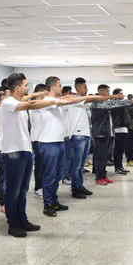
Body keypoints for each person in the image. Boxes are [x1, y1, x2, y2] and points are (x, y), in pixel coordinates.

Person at [0, 73, 68, 237]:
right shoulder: (8, 103)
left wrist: (38, 94)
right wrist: (53, 100)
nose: (27, 87)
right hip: (12, 152)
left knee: (23, 190)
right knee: (13, 190)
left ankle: (22, 219)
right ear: (17, 87)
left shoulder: (17, 101)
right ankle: (13, 224)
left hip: (25, 149)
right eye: (25, 85)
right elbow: (31, 104)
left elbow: (28, 99)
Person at [36, 77, 82, 216]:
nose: (61, 88)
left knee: (58, 174)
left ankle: (54, 201)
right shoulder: (46, 101)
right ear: (52, 87)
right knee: (50, 175)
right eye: (59, 85)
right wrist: (83, 97)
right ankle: (48, 204)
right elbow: (68, 100)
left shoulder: (56, 102)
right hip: (48, 143)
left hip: (59, 141)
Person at [66, 77, 113, 198]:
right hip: (77, 135)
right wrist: (112, 97)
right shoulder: (74, 98)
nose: (86, 89)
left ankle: (79, 186)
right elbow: (91, 98)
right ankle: (75, 189)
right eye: (85, 87)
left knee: (81, 165)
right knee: (76, 165)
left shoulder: (83, 102)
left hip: (85, 135)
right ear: (79, 87)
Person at [90, 85, 133, 185]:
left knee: (105, 156)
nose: (108, 93)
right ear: (101, 92)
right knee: (100, 157)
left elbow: (118, 103)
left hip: (107, 133)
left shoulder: (105, 103)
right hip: (100, 134)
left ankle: (103, 175)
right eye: (107, 91)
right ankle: (99, 177)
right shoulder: (96, 103)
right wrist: (131, 101)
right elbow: (118, 103)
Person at [29, 83, 47, 198]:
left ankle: (44, 186)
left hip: (45, 138)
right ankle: (38, 188)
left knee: (45, 166)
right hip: (37, 139)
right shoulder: (33, 104)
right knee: (40, 166)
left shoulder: (43, 104)